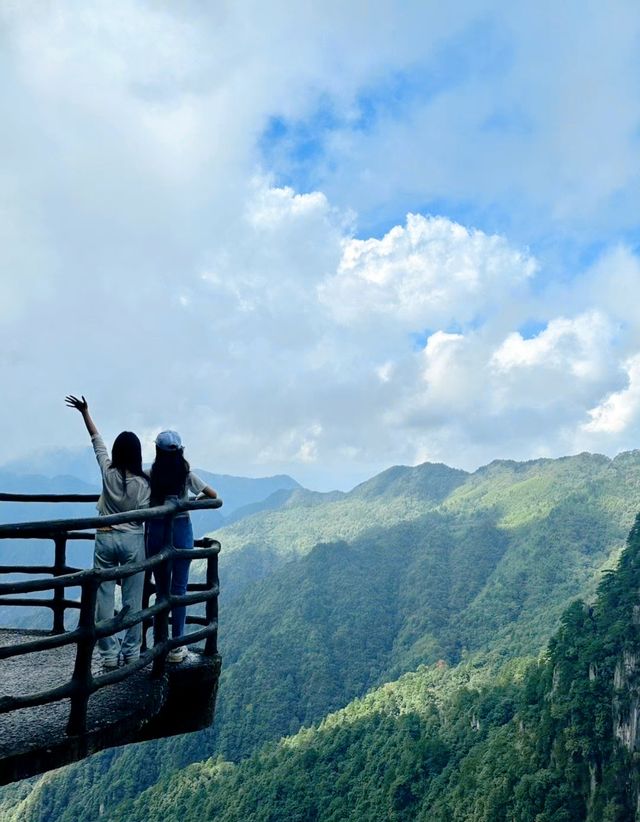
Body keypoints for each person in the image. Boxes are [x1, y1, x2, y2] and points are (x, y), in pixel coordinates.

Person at [65, 395, 150, 670]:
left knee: (102, 596)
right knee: (132, 597)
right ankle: (131, 653)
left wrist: (85, 413)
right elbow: (149, 511)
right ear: (137, 454)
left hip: (104, 535)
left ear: (117, 452)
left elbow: (96, 441)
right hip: (133, 540)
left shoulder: (107, 472)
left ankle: (109, 655)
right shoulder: (144, 483)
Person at [146, 430, 217, 662]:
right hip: (182, 531)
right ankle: (177, 646)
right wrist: (191, 502)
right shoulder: (186, 475)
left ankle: (159, 643)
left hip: (156, 531)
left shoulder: (151, 475)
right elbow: (214, 497)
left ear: (157, 451)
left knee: (161, 591)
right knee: (179, 589)